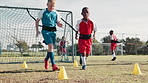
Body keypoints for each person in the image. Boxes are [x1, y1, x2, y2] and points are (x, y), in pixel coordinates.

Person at [35, 0, 63, 71]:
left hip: (53, 32)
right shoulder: (43, 11)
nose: (52, 7)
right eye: (51, 5)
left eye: (53, 6)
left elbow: (57, 22)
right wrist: (37, 31)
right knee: (50, 46)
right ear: (47, 4)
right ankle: (54, 65)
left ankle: (46, 59)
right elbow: (37, 21)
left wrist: (59, 24)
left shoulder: (56, 13)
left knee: (51, 48)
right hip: (45, 31)